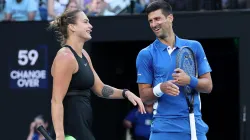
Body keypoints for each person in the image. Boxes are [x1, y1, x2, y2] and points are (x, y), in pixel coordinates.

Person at [49, 9, 146, 140]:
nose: (90, 26)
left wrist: (125, 93)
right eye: (85, 22)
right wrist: (60, 135)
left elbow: (100, 89)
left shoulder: (84, 55)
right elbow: (56, 100)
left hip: (83, 124)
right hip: (70, 128)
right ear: (72, 27)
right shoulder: (65, 57)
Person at [136, 1, 213, 140]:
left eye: (157, 19)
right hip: (163, 130)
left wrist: (189, 80)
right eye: (150, 21)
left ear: (170, 18)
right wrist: (161, 88)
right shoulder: (145, 54)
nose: (154, 24)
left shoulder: (195, 47)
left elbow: (208, 86)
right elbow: (144, 97)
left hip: (195, 128)